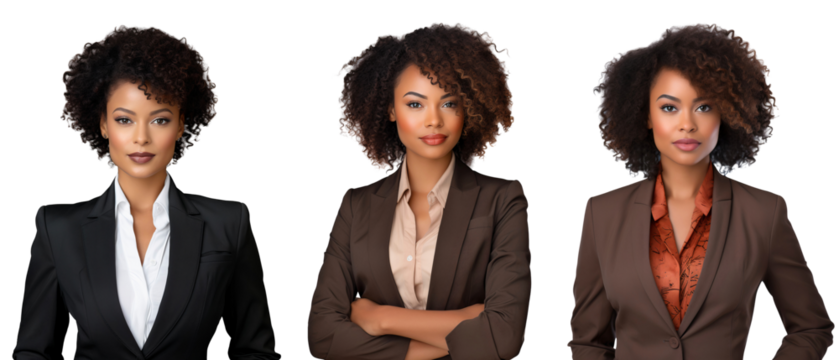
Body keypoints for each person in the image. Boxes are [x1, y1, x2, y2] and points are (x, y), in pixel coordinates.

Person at [12, 25, 280, 359]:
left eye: (159, 120)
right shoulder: (58, 228)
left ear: (182, 123)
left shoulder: (228, 224)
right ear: (103, 124)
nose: (141, 138)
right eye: (125, 120)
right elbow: (33, 352)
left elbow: (258, 350)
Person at [570, 22, 834, 359]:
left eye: (704, 106)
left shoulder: (763, 213)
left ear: (725, 113)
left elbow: (811, 328)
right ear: (645, 115)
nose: (687, 123)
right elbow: (588, 342)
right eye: (669, 107)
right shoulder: (602, 214)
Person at [307, 22, 530, 360]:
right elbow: (323, 335)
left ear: (466, 110)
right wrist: (463, 324)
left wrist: (380, 319)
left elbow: (503, 338)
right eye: (415, 104)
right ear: (390, 109)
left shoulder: (502, 200)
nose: (433, 121)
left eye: (448, 103)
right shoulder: (356, 205)